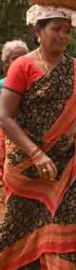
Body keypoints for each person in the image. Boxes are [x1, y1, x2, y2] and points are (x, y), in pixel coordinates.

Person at [0, 2, 76, 270]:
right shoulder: (22, 66)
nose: (62, 36)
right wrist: (35, 153)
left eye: (67, 31)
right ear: (39, 31)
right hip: (26, 164)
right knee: (21, 222)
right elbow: (5, 116)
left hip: (67, 161)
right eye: (56, 30)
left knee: (73, 214)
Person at [0, 40, 29, 182]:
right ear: (6, 63)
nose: (20, 62)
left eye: (23, 58)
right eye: (15, 58)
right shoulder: (1, 86)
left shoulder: (34, 87)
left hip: (25, 142)